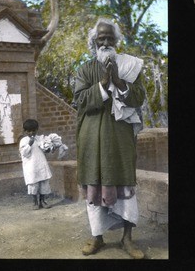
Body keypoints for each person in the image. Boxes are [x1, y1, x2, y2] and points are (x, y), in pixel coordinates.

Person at [74, 18, 146, 259]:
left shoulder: (130, 67)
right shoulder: (84, 69)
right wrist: (104, 83)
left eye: (110, 38)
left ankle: (127, 239)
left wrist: (118, 81)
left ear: (117, 41)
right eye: (101, 38)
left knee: (125, 187)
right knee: (94, 189)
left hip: (120, 139)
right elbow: (80, 101)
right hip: (92, 139)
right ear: (94, 42)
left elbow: (138, 98)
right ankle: (97, 238)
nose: (105, 42)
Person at [19, 119, 52, 210]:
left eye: (34, 130)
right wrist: (29, 144)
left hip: (41, 164)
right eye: (29, 131)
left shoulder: (40, 138)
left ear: (37, 129)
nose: (31, 132)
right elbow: (24, 153)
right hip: (31, 166)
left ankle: (43, 201)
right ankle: (35, 202)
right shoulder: (24, 141)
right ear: (25, 131)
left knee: (44, 183)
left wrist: (48, 149)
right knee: (34, 184)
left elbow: (45, 148)